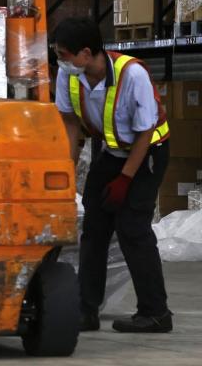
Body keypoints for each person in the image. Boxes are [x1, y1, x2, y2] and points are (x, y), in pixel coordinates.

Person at [53, 17, 172, 334]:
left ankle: (156, 313)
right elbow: (70, 124)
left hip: (147, 153)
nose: (59, 61)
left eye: (64, 54)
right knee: (94, 228)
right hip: (112, 152)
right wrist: (66, 171)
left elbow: (146, 132)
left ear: (86, 53)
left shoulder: (131, 74)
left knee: (133, 228)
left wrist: (125, 179)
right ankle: (85, 310)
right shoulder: (70, 76)